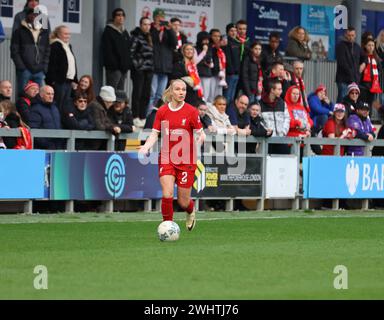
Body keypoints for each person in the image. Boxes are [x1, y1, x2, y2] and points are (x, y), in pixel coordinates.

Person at [139, 80, 205, 230]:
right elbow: (155, 134)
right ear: (171, 91)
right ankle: (167, 227)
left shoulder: (191, 111)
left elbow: (200, 133)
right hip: (167, 157)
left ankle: (190, 210)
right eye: (178, 89)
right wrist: (146, 147)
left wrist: (200, 138)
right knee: (167, 193)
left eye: (184, 90)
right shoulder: (162, 111)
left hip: (186, 160)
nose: (181, 92)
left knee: (183, 202)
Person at [11, 6, 50, 95]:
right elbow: (14, 51)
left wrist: (44, 67)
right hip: (25, 71)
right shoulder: (19, 31)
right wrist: (22, 67)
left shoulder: (44, 32)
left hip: (39, 71)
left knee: (39, 96)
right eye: (31, 14)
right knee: (22, 95)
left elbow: (48, 51)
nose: (34, 17)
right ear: (27, 16)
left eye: (36, 15)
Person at [148, 9, 177, 116]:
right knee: (152, 94)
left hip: (165, 68)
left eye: (162, 17)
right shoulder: (150, 28)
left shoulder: (167, 31)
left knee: (160, 95)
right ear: (154, 18)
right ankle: (148, 116)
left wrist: (170, 29)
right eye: (158, 17)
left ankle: (155, 116)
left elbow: (174, 43)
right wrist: (155, 29)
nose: (160, 19)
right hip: (154, 67)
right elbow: (151, 41)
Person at [46, 25, 78, 115]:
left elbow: (72, 63)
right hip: (59, 81)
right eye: (65, 34)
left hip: (68, 81)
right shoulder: (55, 45)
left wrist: (75, 79)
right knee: (58, 104)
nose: (68, 36)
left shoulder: (68, 46)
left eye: (69, 34)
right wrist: (53, 81)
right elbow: (52, 64)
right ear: (58, 34)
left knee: (65, 105)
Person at [130, 17, 154, 128]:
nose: (147, 26)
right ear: (140, 25)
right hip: (139, 70)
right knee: (137, 94)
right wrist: (137, 66)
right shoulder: (136, 36)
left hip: (149, 70)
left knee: (146, 94)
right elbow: (131, 53)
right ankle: (135, 116)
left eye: (149, 24)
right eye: (145, 24)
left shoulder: (150, 37)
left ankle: (143, 117)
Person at [101, 8, 132, 91]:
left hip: (123, 68)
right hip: (114, 69)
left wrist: (127, 65)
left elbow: (128, 49)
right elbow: (108, 51)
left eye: (122, 15)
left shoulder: (125, 32)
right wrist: (114, 66)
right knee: (111, 91)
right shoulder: (108, 31)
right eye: (118, 15)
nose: (121, 17)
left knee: (120, 93)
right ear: (114, 17)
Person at [260, 78, 291, 155]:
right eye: (279, 89)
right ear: (272, 90)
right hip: (266, 140)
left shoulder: (283, 103)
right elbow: (259, 121)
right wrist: (266, 132)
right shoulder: (260, 104)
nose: (281, 91)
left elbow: (287, 118)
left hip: (281, 139)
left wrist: (283, 132)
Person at [336, 27, 365, 103]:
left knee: (353, 100)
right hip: (344, 79)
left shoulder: (357, 47)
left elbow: (364, 57)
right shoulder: (341, 46)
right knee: (343, 98)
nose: (351, 37)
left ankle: (349, 114)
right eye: (349, 35)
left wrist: (363, 64)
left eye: (352, 35)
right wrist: (353, 75)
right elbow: (342, 63)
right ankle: (338, 114)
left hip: (354, 79)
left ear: (355, 35)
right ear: (345, 35)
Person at [29, 85, 63, 150]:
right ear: (41, 95)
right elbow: (34, 130)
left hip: (57, 147)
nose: (51, 96)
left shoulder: (55, 108)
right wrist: (47, 145)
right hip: (43, 149)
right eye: (48, 94)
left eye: (52, 94)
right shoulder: (35, 109)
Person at [88, 86, 121, 150]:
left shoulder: (100, 107)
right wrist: (112, 128)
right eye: (110, 102)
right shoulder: (95, 106)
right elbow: (98, 125)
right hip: (92, 144)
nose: (111, 104)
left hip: (97, 144)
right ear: (105, 100)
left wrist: (113, 127)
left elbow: (106, 121)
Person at [360, 38, 383, 108]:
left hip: (373, 86)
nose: (371, 47)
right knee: (362, 104)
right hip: (363, 85)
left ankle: (368, 118)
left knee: (370, 105)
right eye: (369, 45)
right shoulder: (362, 57)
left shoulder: (376, 58)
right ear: (365, 46)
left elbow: (380, 70)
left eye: (372, 45)